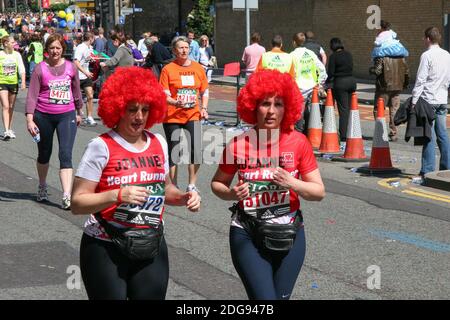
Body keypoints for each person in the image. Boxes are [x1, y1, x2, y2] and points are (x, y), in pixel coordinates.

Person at [71, 66, 200, 300]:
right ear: (118, 109)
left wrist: (183, 197)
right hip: (105, 246)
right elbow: (77, 202)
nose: (139, 117)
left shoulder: (158, 142)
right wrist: (117, 195)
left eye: (145, 109)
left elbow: (166, 189)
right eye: (132, 109)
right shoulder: (100, 146)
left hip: (151, 242)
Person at [211, 69, 325, 300]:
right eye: (265, 103)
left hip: (290, 232)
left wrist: (292, 182)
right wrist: (232, 193)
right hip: (248, 232)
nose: (271, 111)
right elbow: (217, 184)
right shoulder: (238, 145)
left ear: (288, 108)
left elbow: (318, 192)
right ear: (253, 106)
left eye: (279, 104)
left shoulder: (298, 142)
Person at [25, 33, 83, 210]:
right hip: (43, 116)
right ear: (47, 51)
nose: (55, 51)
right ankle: (42, 185)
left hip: (67, 115)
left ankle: (66, 195)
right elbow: (32, 95)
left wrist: (79, 111)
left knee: (65, 154)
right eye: (52, 48)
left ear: (63, 50)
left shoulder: (71, 68)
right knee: (44, 153)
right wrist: (29, 119)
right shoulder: (39, 69)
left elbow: (76, 92)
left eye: (58, 48)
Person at [159, 36, 208, 192]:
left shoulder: (198, 68)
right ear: (174, 50)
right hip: (172, 115)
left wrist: (204, 108)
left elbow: (204, 91)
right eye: (180, 47)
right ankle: (173, 185)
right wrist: (175, 102)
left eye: (186, 47)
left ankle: (192, 184)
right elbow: (164, 94)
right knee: (174, 150)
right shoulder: (168, 69)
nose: (184, 50)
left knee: (196, 149)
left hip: (193, 114)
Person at [411, 27, 450, 179]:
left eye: (423, 38)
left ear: (428, 38)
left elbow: (421, 80)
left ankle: (427, 170)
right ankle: (447, 167)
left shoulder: (426, 56)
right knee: (443, 134)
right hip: (442, 99)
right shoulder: (447, 55)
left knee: (429, 136)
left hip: (428, 100)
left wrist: (414, 100)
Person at [369, 46, 409, 142]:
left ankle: (381, 132)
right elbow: (406, 72)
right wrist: (405, 84)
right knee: (394, 110)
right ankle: (393, 133)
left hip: (383, 87)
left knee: (378, 109)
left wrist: (371, 70)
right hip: (397, 87)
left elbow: (378, 71)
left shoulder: (381, 57)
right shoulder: (401, 57)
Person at [290, 32, 327, 133]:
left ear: (294, 42)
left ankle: (299, 137)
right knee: (311, 115)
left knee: (299, 116)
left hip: (299, 90)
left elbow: (289, 74)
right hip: (312, 89)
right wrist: (319, 83)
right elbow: (322, 69)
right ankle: (310, 137)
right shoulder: (311, 54)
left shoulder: (292, 55)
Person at [326, 38, 357, 148]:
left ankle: (344, 136)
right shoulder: (348, 54)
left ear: (332, 46)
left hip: (341, 83)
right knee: (350, 109)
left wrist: (327, 83)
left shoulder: (334, 57)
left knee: (343, 110)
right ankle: (353, 131)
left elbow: (330, 73)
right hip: (352, 82)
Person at [0, 36, 26, 140]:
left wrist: (23, 82)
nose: (14, 44)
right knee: (5, 106)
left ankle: (9, 128)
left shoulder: (17, 55)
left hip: (13, 83)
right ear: (6, 43)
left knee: (11, 107)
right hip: (2, 82)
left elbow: (22, 69)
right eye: (12, 42)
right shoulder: (0, 54)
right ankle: (6, 131)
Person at [74, 32, 97, 126]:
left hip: (86, 76)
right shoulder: (80, 47)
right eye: (93, 38)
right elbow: (76, 62)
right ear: (90, 38)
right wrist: (85, 72)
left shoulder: (89, 48)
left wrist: (91, 59)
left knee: (90, 96)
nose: (94, 40)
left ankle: (89, 117)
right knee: (75, 97)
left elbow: (86, 59)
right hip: (78, 75)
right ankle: (75, 114)